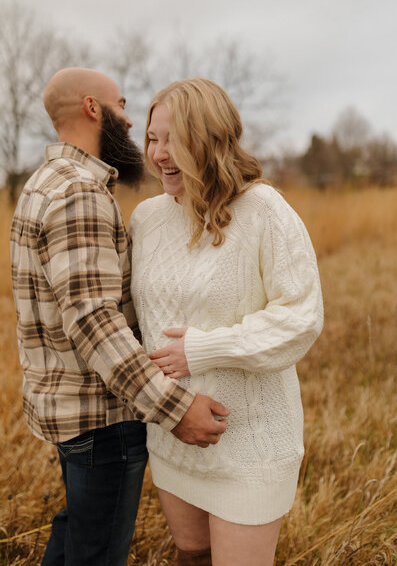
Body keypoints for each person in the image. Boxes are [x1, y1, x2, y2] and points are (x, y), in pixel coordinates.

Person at [9, 68, 229, 566]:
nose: (129, 122)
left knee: (77, 534)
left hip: (68, 415)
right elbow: (94, 323)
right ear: (93, 108)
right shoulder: (80, 193)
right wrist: (174, 407)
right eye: (123, 106)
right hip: (102, 420)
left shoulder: (41, 183)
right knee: (98, 552)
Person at [129, 78, 324, 566]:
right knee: (190, 557)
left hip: (249, 445)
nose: (159, 153)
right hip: (172, 436)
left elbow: (300, 318)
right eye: (152, 138)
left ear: (212, 138)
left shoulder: (264, 211)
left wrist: (204, 349)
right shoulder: (146, 219)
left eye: (174, 138)